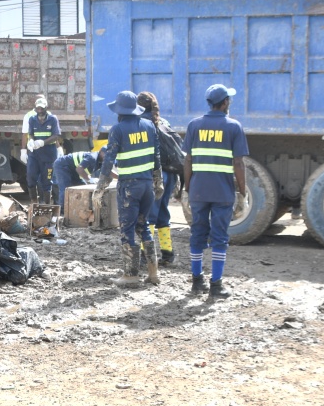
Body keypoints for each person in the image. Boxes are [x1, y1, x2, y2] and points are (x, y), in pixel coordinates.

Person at [183, 84, 248, 299]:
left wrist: (187, 188)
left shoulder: (194, 125)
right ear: (225, 103)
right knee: (219, 237)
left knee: (197, 234)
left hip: (199, 192)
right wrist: (242, 190)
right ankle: (216, 286)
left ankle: (196, 283)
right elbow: (238, 163)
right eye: (229, 99)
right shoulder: (233, 127)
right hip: (222, 193)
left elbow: (188, 160)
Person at [95, 90, 162, 287]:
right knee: (144, 227)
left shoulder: (118, 129)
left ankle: (130, 275)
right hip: (147, 185)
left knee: (128, 229)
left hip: (129, 187)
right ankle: (153, 273)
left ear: (120, 111)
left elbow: (108, 162)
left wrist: (100, 189)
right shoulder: (149, 125)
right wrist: (159, 183)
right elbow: (156, 157)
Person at [137, 91, 184, 266]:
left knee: (149, 214)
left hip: (154, 174)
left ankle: (145, 255)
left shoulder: (141, 123)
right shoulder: (163, 122)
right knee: (163, 212)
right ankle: (167, 253)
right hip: (170, 174)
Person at [25, 96, 61, 204]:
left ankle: (46, 204)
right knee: (31, 176)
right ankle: (34, 201)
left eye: (42, 108)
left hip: (48, 154)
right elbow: (30, 133)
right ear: (35, 108)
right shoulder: (32, 119)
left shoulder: (52, 119)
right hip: (35, 154)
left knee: (47, 180)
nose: (40, 110)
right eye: (38, 108)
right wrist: (30, 141)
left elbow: (56, 136)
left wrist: (43, 142)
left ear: (46, 107)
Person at [51, 147, 101, 212]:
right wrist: (89, 179)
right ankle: (62, 211)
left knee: (81, 187)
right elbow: (79, 169)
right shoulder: (92, 157)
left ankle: (78, 208)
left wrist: (118, 177)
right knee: (65, 188)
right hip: (62, 165)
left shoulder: (101, 161)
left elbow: (109, 171)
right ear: (101, 153)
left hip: (73, 170)